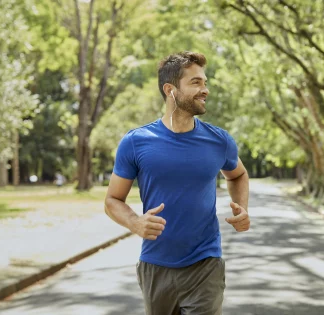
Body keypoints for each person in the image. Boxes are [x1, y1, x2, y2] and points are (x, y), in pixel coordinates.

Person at [104, 51, 250, 315]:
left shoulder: (219, 140)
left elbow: (238, 174)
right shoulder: (136, 142)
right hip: (155, 265)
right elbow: (112, 200)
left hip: (205, 264)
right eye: (195, 83)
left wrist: (241, 207)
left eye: (205, 82)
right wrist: (135, 222)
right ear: (170, 90)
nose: (205, 90)